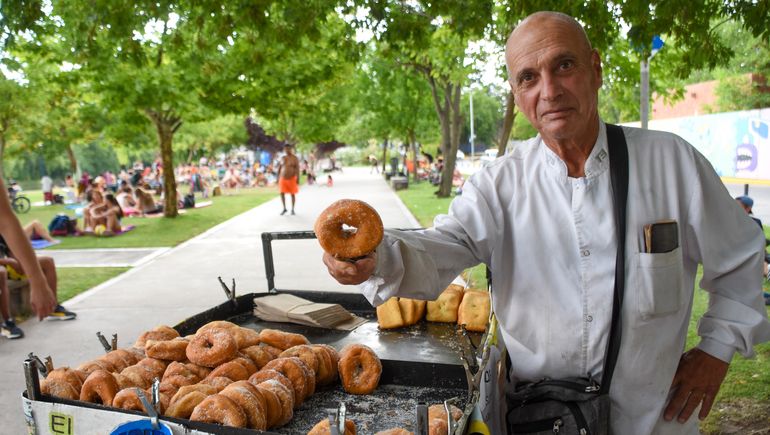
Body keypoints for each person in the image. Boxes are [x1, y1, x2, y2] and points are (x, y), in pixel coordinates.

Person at [322, 11, 770, 435]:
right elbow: (446, 245)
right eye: (529, 77)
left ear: (595, 69)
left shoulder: (672, 163)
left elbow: (741, 257)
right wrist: (374, 258)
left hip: (655, 417)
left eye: (565, 65)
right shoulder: (501, 183)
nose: (549, 90)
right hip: (539, 420)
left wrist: (717, 349)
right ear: (517, 95)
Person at [0, 178, 75, 339]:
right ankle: (7, 322)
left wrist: (38, 281)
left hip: (11, 260)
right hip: (7, 263)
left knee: (47, 260)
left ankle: (53, 306)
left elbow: (6, 221)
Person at [735, 195, 770, 305]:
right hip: (744, 255)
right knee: (763, 265)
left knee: (764, 263)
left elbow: (760, 241)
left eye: (737, 205)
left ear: (748, 208)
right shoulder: (729, 221)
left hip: (756, 252)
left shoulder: (755, 222)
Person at [277, 144, 300, 215]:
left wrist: (298, 178)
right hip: (282, 178)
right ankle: (284, 208)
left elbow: (297, 169)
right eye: (285, 149)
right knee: (281, 193)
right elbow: (280, 168)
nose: (287, 150)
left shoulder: (294, 158)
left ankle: (292, 209)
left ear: (291, 149)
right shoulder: (283, 158)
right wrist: (277, 177)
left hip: (292, 178)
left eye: (288, 149)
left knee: (292, 194)